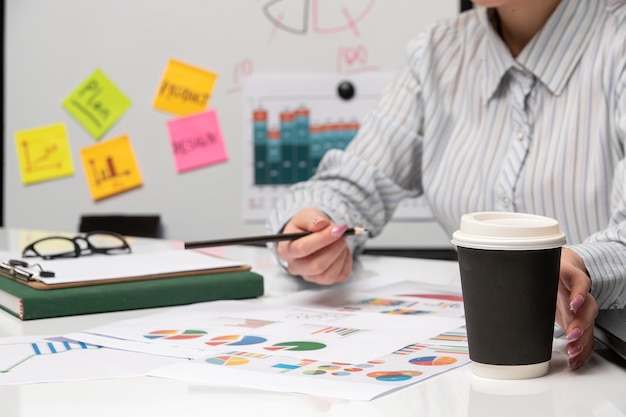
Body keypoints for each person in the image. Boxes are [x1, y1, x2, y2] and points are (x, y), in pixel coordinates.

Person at [267, 0, 626, 371]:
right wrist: (312, 226)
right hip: (474, 368)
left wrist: (585, 263)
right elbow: (352, 183)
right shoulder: (437, 51)